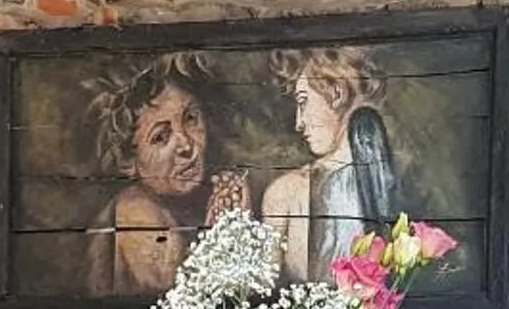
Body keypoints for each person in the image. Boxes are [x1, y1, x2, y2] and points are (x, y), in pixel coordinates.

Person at [90, 56, 248, 296]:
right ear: (128, 162)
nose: (185, 144)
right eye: (161, 137)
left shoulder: (197, 198)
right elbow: (178, 308)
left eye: (190, 118)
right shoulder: (136, 212)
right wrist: (221, 236)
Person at [261, 49, 400, 280]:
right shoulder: (287, 191)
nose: (299, 123)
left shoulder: (286, 192)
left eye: (303, 102)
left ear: (336, 93)